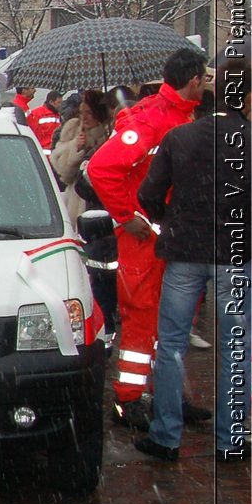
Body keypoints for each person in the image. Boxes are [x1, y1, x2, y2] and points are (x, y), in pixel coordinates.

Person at [133, 58, 250, 463]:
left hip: (184, 252)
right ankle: (230, 439)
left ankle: (166, 436)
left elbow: (148, 195)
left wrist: (172, 219)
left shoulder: (179, 138)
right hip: (235, 254)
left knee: (172, 346)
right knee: (235, 349)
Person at [86, 47, 207, 430]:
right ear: (194, 81)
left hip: (169, 237)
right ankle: (129, 399)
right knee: (143, 319)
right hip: (147, 241)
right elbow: (103, 168)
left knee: (168, 323)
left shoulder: (177, 115)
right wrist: (127, 218)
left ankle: (164, 393)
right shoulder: (156, 119)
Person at [51, 89, 118, 337]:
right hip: (75, 203)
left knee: (100, 265)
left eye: (89, 113)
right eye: (82, 112)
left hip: (101, 208)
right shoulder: (71, 131)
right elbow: (61, 171)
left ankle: (104, 313)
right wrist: (75, 150)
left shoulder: (110, 134)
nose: (84, 117)